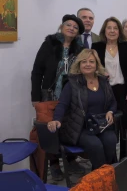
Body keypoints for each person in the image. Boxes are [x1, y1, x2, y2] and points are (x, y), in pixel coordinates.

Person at [31, 14, 85, 180]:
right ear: (61, 27)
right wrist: (35, 96)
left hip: (71, 96)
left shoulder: (79, 49)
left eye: (75, 27)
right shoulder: (49, 44)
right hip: (49, 94)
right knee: (50, 129)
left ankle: (70, 159)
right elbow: (37, 71)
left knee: (69, 126)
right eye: (68, 25)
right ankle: (54, 164)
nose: (71, 28)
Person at [47, 49, 118, 170]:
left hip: (100, 125)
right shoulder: (72, 83)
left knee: (111, 140)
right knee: (95, 145)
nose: (88, 64)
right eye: (84, 62)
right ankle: (101, 176)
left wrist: (110, 111)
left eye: (91, 61)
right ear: (79, 65)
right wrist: (56, 119)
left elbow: (113, 102)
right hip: (79, 127)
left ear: (96, 64)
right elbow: (62, 104)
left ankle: (102, 173)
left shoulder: (104, 82)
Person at [91, 17, 127, 161]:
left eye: (115, 28)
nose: (112, 31)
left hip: (123, 91)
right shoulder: (96, 46)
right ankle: (108, 161)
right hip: (103, 91)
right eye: (109, 28)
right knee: (106, 126)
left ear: (119, 31)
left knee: (125, 127)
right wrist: (100, 73)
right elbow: (92, 68)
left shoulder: (126, 46)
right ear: (104, 31)